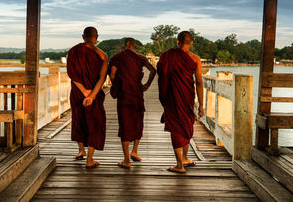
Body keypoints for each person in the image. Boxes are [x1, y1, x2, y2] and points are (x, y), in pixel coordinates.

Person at [157, 31, 204, 173]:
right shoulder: (195, 59)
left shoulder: (167, 55)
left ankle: (180, 164)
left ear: (177, 41)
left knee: (176, 127)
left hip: (173, 96)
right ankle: (183, 158)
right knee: (186, 123)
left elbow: (162, 73)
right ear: (191, 43)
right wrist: (201, 104)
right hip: (187, 96)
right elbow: (200, 82)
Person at [108, 38, 156, 168]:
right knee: (137, 122)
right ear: (135, 46)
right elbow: (153, 70)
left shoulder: (117, 57)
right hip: (137, 94)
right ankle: (134, 151)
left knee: (125, 125)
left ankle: (126, 159)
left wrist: (116, 85)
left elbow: (112, 74)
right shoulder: (140, 57)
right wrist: (146, 85)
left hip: (124, 95)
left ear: (125, 45)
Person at [66, 27, 108, 168]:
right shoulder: (102, 55)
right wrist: (92, 95)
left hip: (78, 92)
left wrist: (84, 92)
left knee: (78, 119)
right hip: (94, 95)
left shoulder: (73, 51)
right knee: (95, 123)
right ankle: (89, 158)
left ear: (83, 36)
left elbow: (72, 74)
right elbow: (102, 78)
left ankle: (81, 150)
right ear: (97, 37)